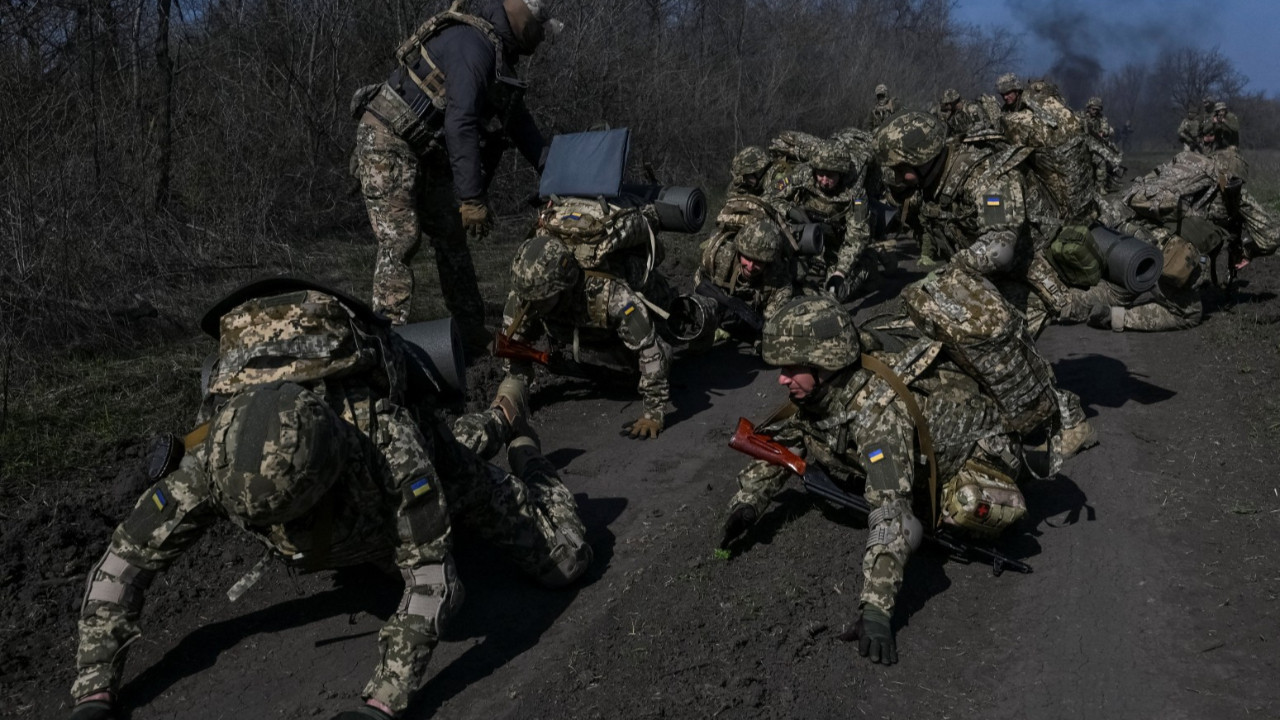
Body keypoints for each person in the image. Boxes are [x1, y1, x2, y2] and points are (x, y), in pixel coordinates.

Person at [66, 279, 591, 720]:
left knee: (563, 561)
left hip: (435, 471)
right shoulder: (213, 460)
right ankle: (500, 417)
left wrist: (383, 701)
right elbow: (123, 564)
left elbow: (432, 577)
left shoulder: (387, 441)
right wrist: (93, 689)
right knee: (424, 495)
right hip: (363, 513)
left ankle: (521, 441)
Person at [718, 295, 1029, 665]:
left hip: (978, 454)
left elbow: (894, 516)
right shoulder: (826, 389)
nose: (781, 378)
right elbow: (792, 439)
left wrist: (877, 610)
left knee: (957, 508)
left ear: (826, 364)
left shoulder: (877, 418)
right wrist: (749, 501)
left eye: (791, 368)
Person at [873, 112, 1097, 459]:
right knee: (947, 339)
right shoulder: (929, 181)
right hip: (985, 277)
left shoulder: (987, 176)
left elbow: (1000, 246)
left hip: (1033, 272)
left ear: (925, 158)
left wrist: (955, 270)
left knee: (998, 349)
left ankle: (1069, 422)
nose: (897, 175)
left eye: (901, 167)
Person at [350, 0, 561, 351]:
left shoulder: (493, 54)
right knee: (402, 237)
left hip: (422, 149)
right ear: (525, 20)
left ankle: (469, 331)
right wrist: (471, 197)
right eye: (540, 28)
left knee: (451, 235)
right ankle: (384, 342)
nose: (541, 39)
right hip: (388, 138)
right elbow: (460, 122)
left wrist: (558, 174)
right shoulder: (473, 46)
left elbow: (523, 129)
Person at [498, 234, 674, 439]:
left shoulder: (610, 295)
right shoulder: (526, 298)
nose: (533, 306)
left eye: (542, 300)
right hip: (592, 341)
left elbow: (650, 350)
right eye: (529, 300)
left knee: (667, 346)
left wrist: (653, 413)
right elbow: (513, 352)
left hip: (645, 322)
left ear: (563, 287)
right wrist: (513, 397)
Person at [777, 139, 874, 302]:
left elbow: (858, 234)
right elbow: (771, 195)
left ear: (841, 174)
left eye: (830, 176)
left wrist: (840, 272)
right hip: (806, 239)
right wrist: (789, 210)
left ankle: (869, 261)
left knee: (835, 292)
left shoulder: (857, 194)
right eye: (820, 174)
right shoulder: (802, 175)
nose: (823, 180)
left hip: (838, 245)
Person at [693, 218, 796, 342]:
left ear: (768, 262)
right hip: (722, 299)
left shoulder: (779, 279)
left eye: (758, 262)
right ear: (739, 253)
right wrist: (720, 304)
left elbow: (774, 321)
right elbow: (699, 278)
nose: (751, 267)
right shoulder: (719, 257)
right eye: (747, 258)